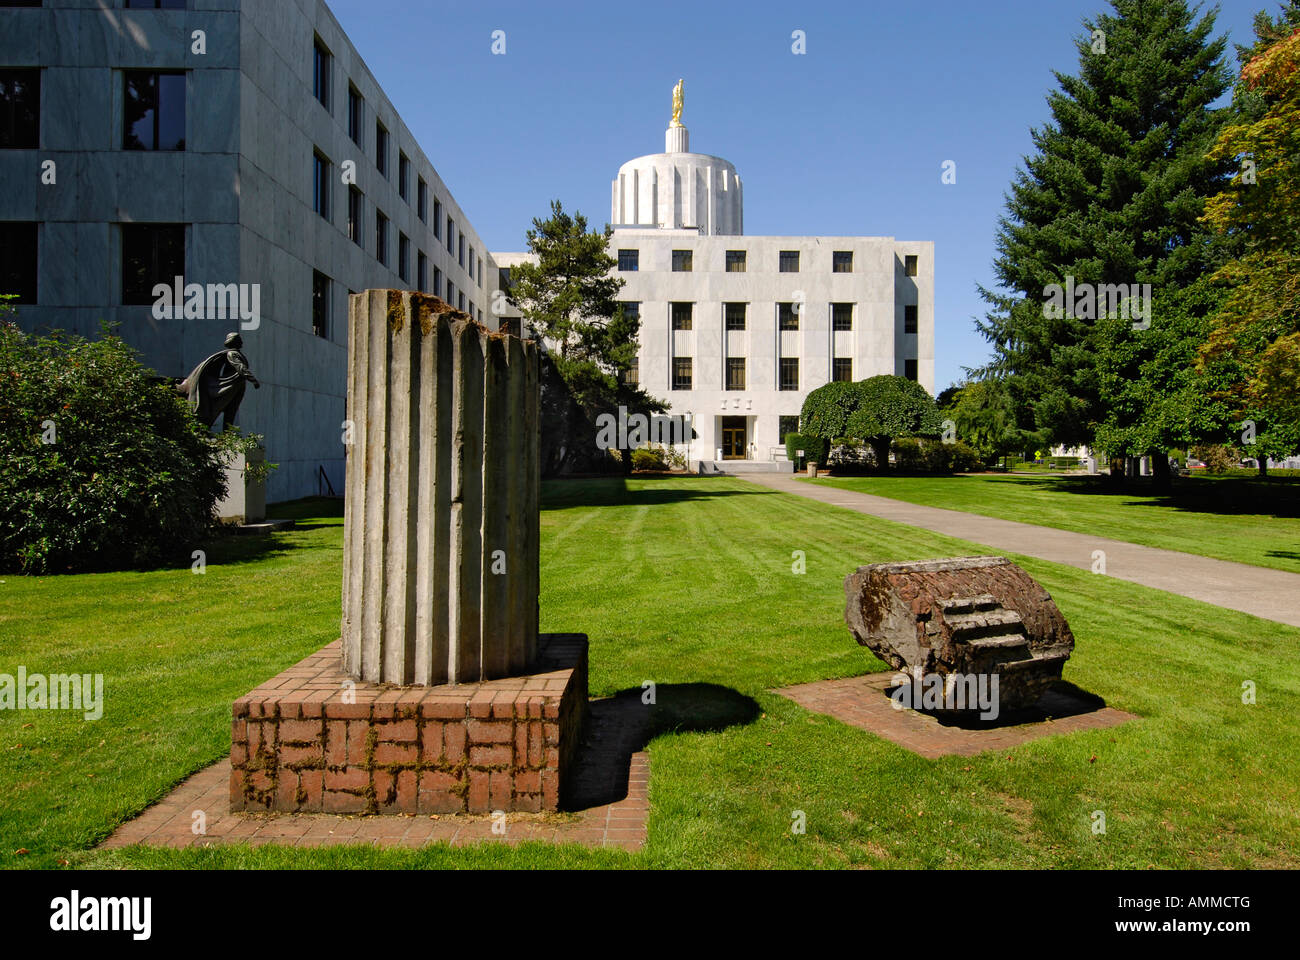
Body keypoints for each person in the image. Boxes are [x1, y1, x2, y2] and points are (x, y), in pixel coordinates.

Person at [178, 333, 261, 430]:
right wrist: (252, 379)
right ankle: (219, 431)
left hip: (238, 386)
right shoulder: (232, 353)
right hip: (231, 387)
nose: (242, 342)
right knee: (226, 409)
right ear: (235, 342)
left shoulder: (235, 353)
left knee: (231, 410)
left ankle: (227, 434)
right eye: (239, 340)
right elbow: (239, 366)